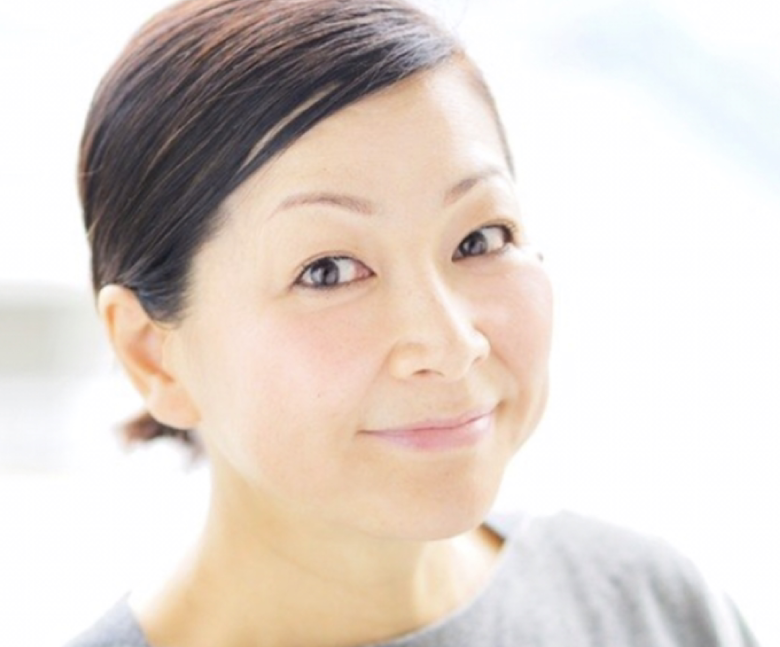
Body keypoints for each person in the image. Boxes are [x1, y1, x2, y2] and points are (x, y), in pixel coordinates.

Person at [65, 0, 760, 645]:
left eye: (480, 239)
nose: (452, 344)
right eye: (329, 270)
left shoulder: (650, 609)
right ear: (153, 353)